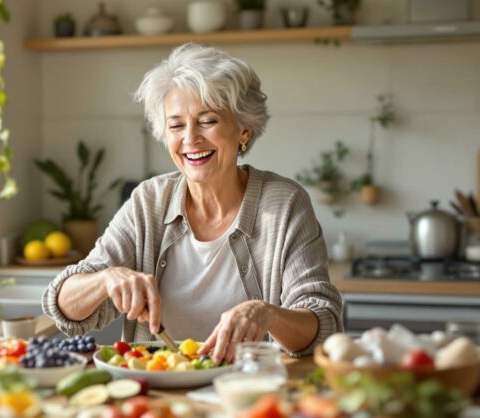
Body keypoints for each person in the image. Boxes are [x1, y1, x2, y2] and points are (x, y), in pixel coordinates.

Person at [41, 43, 342, 363]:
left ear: (243, 130)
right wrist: (106, 278)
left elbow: (322, 325)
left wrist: (266, 313)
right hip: (157, 393)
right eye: (176, 125)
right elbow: (63, 308)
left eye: (207, 121)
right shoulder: (149, 202)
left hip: (248, 393)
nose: (190, 139)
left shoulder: (283, 205)